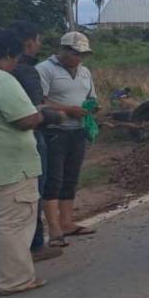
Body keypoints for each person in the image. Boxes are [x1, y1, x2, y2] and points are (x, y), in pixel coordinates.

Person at [0, 28, 51, 295]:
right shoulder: (0, 79)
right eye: (16, 57)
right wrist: (44, 116)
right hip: (8, 166)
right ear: (8, 53)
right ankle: (15, 280)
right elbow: (25, 119)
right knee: (11, 225)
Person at [36, 32, 98, 247]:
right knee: (54, 178)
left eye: (82, 54)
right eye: (75, 53)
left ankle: (67, 222)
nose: (78, 58)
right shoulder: (44, 70)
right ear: (63, 49)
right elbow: (40, 102)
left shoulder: (84, 72)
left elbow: (91, 97)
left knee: (71, 178)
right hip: (55, 130)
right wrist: (67, 110)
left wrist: (91, 108)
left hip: (78, 131)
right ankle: (54, 229)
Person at [8, 21, 63, 262]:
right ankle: (35, 244)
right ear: (29, 42)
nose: (39, 44)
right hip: (30, 139)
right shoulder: (27, 71)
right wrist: (51, 116)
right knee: (33, 193)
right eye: (38, 40)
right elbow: (32, 111)